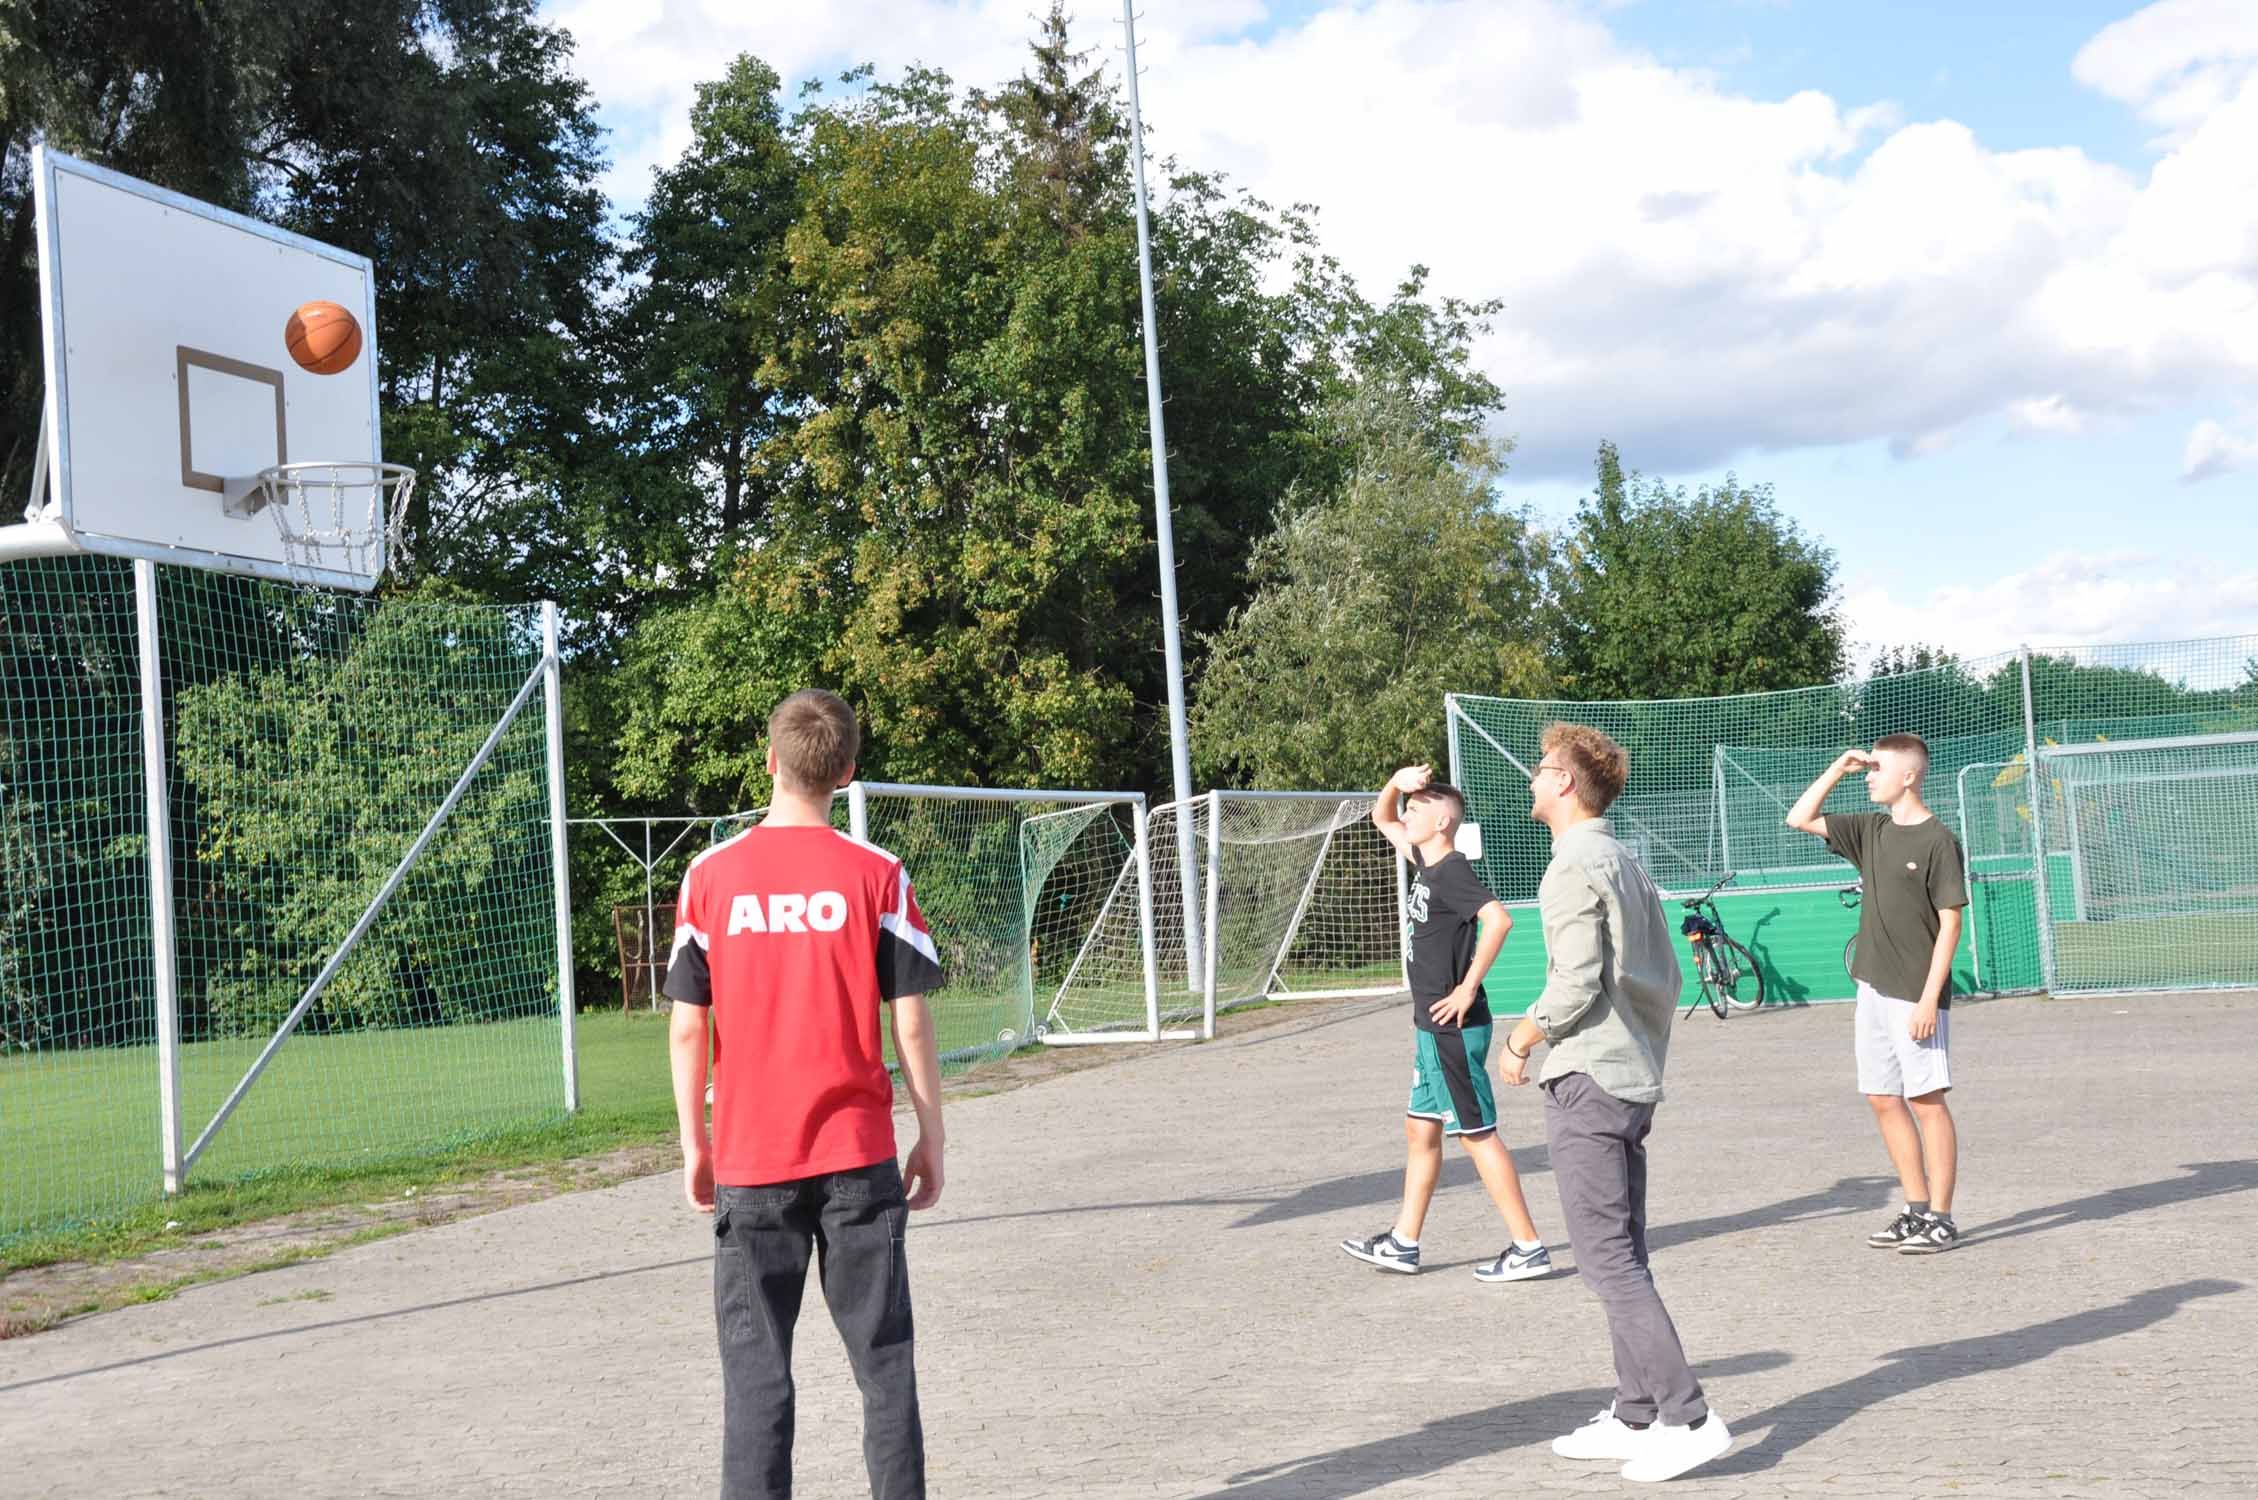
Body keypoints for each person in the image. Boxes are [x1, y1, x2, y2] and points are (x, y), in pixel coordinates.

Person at [665, 689, 946, 1499]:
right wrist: (930, 1134)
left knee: (757, 1380)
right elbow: (913, 1023)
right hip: (858, 1158)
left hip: (752, 1162)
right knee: (884, 1367)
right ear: (847, 772)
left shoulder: (709, 877)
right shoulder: (877, 874)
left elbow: (689, 1029)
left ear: (770, 761)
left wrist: (696, 1144)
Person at [1500, 723, 1730, 1484]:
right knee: (1623, 1255)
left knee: (1605, 1264)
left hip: (1590, 1080)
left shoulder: (1572, 863)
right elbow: (1660, 972)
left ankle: (1687, 1417)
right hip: (1628, 1075)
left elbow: (1573, 982)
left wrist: (1522, 1037)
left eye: (1540, 769)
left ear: (1565, 783)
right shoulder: (1620, 855)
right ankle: (1635, 1413)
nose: (1532, 779)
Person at [1339, 764, 1553, 1284]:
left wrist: (1466, 987)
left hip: (1452, 1029)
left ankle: (1528, 1247)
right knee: (1420, 1129)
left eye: (1417, 808)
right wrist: (1395, 781)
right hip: (1428, 1030)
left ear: (1441, 822)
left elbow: (1499, 920)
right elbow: (1380, 813)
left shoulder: (1453, 870)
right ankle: (1403, 1243)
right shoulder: (1423, 859)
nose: (1406, 813)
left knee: (1477, 1135)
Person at [1785, 734, 1967, 1255]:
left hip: (1915, 993)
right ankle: (1914, 1209)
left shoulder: (1938, 840)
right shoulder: (1870, 829)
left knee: (1927, 1101)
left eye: (1877, 768)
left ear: (1908, 776)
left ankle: (1942, 1217)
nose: (1869, 775)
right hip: (1872, 987)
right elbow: (1799, 817)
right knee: (1883, 1098)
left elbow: (1950, 924)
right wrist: (1836, 768)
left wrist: (1930, 997)